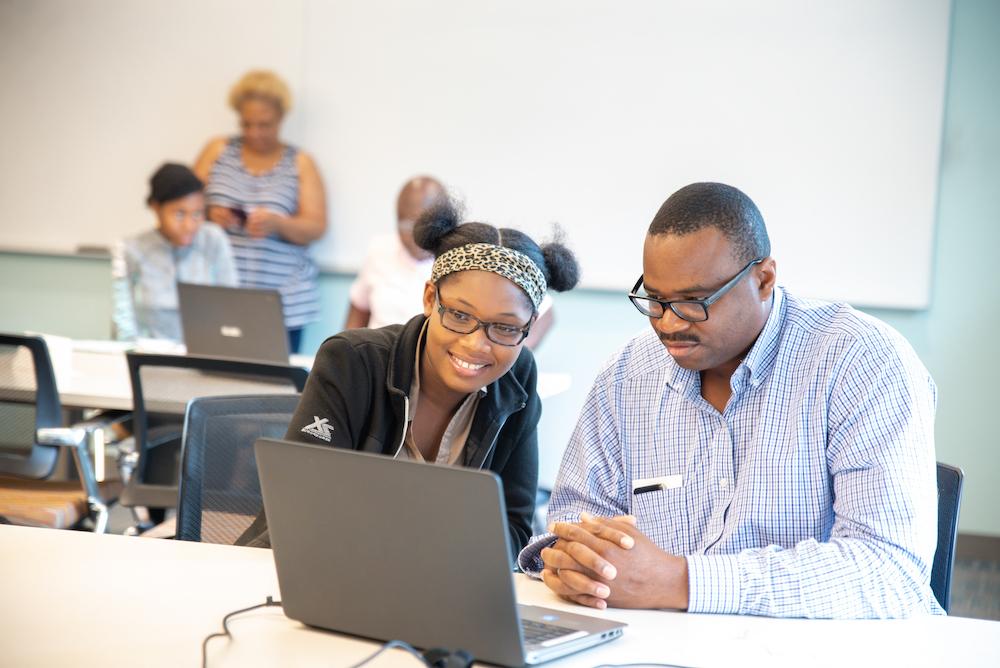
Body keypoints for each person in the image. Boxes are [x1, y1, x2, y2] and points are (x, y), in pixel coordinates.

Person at [518, 182, 941, 619]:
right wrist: (576, 562)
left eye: (693, 302)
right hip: (661, 644)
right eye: (656, 300)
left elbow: (889, 572)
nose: (668, 324)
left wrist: (680, 581)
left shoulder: (861, 363)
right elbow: (575, 517)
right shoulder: (627, 374)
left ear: (763, 279)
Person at [237, 200, 580, 557]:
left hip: (440, 588)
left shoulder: (517, 380)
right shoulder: (354, 360)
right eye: (460, 316)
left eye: (506, 328)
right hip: (312, 566)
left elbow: (511, 527)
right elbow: (299, 502)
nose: (476, 344)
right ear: (430, 298)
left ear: (530, 326)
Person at [193, 69, 327, 353]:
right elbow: (184, 205)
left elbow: (315, 227)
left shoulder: (300, 163)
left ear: (281, 118)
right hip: (218, 294)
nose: (254, 133)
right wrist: (209, 214)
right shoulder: (217, 150)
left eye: (264, 124)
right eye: (247, 124)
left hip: (281, 300)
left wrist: (278, 224)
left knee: (272, 387)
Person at [346, 176, 556, 349]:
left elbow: (544, 311)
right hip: (380, 358)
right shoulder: (380, 249)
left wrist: (514, 355)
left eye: (422, 224)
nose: (413, 234)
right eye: (405, 222)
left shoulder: (467, 253)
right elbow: (357, 312)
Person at [111, 163, 237, 342]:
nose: (189, 225)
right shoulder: (133, 250)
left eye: (197, 214)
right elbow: (122, 319)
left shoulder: (213, 240)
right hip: (152, 354)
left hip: (207, 352)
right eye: (179, 214)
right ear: (156, 207)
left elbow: (231, 305)